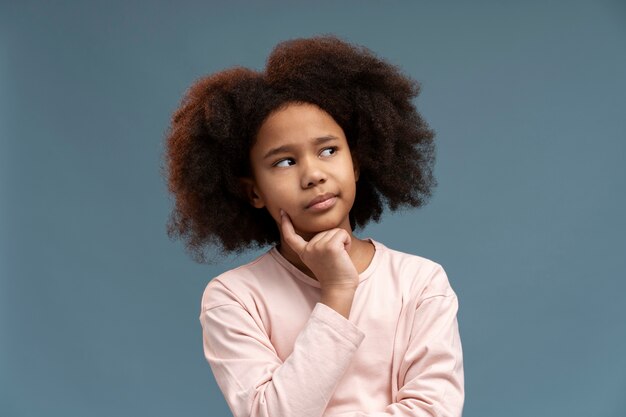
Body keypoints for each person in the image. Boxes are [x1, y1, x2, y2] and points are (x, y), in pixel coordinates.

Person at [164, 35, 464, 417]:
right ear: (254, 191)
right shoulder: (235, 298)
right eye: (284, 162)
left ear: (355, 164)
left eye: (328, 150)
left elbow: (434, 411)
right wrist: (337, 291)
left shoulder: (420, 283)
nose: (313, 175)